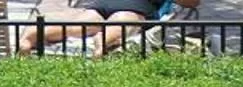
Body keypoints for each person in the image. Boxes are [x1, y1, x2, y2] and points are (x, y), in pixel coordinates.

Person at [19, 0, 184, 55]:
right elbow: (190, 2)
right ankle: (102, 42)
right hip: (137, 6)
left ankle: (33, 35)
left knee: (75, 27)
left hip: (101, 4)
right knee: (122, 21)